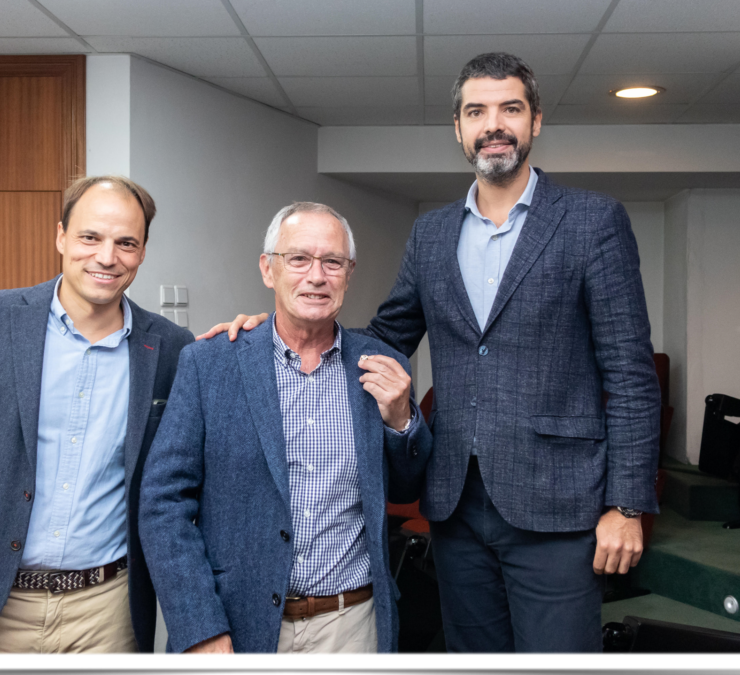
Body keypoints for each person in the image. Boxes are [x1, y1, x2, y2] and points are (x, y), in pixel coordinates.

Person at [200, 53, 662, 652]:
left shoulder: (592, 222)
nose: (493, 124)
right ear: (459, 128)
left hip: (559, 504)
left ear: (536, 121)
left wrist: (625, 504)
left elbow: (630, 374)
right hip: (456, 508)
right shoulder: (433, 233)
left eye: (509, 109)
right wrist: (284, 329)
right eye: (477, 111)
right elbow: (386, 335)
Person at [0, 176, 194, 654]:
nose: (107, 257)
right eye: (90, 237)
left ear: (143, 251)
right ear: (61, 236)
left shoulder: (170, 347)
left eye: (125, 243)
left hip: (107, 613)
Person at [139, 202, 433, 653]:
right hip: (238, 625)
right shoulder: (210, 364)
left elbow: (407, 488)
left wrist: (402, 422)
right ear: (268, 269)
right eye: (298, 259)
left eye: (332, 262)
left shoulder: (379, 364)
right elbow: (163, 505)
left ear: (348, 273)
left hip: (352, 625)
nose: (316, 275)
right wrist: (200, 627)